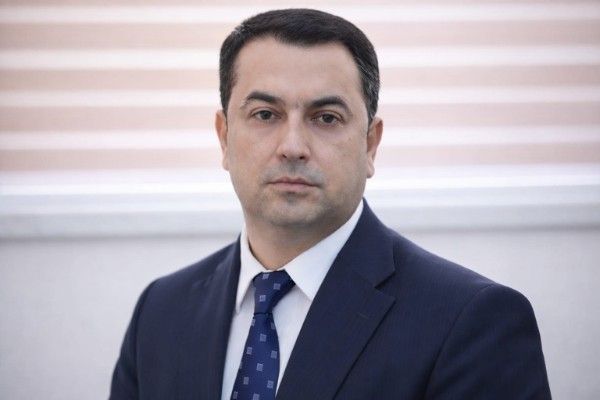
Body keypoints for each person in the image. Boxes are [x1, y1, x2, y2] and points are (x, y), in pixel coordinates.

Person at [109, 8, 551, 400]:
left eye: (326, 118)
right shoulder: (160, 311)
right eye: (265, 114)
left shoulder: (472, 321)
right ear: (224, 137)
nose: (293, 147)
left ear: (370, 144)